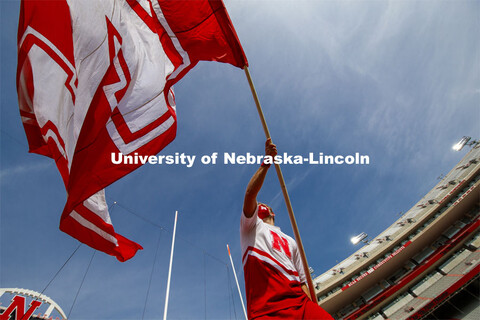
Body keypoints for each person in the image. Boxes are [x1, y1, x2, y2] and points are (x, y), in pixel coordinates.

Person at [240, 138, 333, 319]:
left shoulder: (291, 240)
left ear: (273, 213)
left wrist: (312, 309)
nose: (261, 205)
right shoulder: (250, 228)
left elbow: (303, 282)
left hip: (301, 303)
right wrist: (267, 163)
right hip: (267, 310)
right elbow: (250, 195)